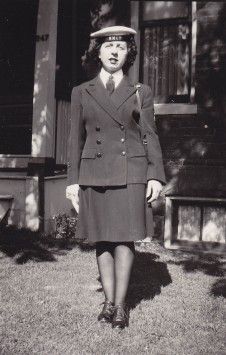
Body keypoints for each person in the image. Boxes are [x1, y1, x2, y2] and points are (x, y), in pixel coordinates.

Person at [66, 26, 166, 329]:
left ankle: (121, 307)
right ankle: (108, 303)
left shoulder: (140, 92)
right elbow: (75, 139)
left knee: (124, 238)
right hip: (94, 172)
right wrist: (72, 181)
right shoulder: (81, 91)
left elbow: (150, 136)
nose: (113, 52)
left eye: (120, 47)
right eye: (108, 46)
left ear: (128, 54)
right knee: (102, 238)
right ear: (97, 52)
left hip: (130, 173)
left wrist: (155, 176)